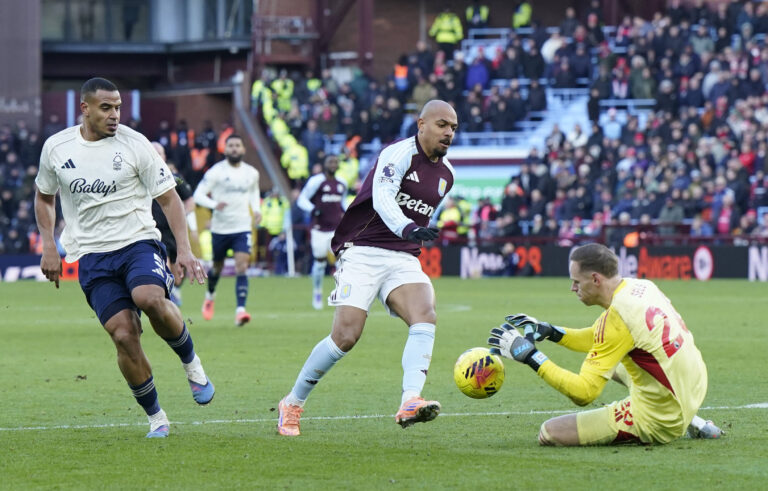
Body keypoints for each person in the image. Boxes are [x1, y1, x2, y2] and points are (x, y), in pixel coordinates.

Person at [34, 77, 214, 439]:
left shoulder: (135, 144)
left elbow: (169, 198)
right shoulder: (56, 147)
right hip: (92, 255)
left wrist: (184, 250)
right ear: (85, 109)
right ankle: (156, 417)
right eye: (106, 107)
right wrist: (49, 246)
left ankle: (191, 363)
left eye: (117, 107)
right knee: (122, 334)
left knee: (148, 298)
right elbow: (44, 196)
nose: (115, 114)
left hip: (137, 243)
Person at [277, 100, 458, 436]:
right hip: (363, 250)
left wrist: (412, 233)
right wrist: (407, 227)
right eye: (442, 125)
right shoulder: (398, 154)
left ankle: (410, 400)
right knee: (346, 336)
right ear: (421, 124)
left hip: (403, 256)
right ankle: (292, 402)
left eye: (453, 128)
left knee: (425, 314)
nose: (448, 132)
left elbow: (421, 216)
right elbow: (383, 198)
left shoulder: (448, 175)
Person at [488, 243, 723, 446]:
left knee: (549, 432)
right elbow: (598, 337)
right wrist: (550, 331)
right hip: (693, 385)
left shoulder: (618, 318)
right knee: (613, 364)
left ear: (595, 279)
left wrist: (530, 355)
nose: (572, 288)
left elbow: (584, 393)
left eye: (576, 282)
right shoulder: (640, 287)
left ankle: (673, 421)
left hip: (663, 417)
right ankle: (695, 420)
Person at [193, 134, 261, 326]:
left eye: (237, 145)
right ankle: (210, 296)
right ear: (226, 149)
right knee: (217, 267)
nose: (234, 148)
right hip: (220, 229)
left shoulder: (251, 173)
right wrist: (215, 204)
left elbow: (254, 192)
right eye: (230, 145)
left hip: (242, 227)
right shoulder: (216, 171)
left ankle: (240, 311)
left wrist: (256, 210)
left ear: (243, 149)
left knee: (242, 266)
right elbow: (198, 195)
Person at [296, 154, 348, 309]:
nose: (333, 164)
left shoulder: (342, 183)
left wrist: (347, 214)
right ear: (324, 164)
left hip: (337, 229)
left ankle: (340, 293)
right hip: (319, 229)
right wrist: (313, 209)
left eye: (335, 162)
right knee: (319, 263)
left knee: (342, 262)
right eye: (330, 161)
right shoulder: (316, 181)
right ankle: (317, 292)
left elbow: (343, 202)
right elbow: (302, 199)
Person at [150, 142, 199, 305]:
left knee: (178, 273)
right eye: (153, 152)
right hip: (154, 231)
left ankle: (174, 290)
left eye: (160, 153)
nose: (157, 156)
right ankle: (165, 297)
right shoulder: (140, 178)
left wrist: (183, 218)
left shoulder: (174, 178)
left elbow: (190, 200)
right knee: (163, 267)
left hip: (174, 231)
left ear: (164, 157)